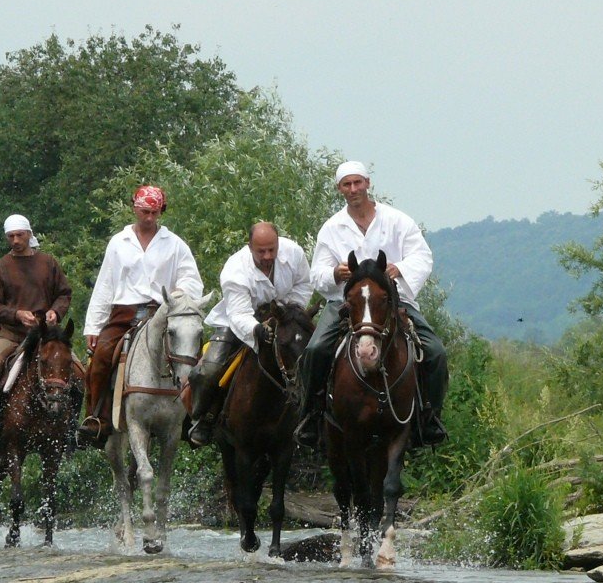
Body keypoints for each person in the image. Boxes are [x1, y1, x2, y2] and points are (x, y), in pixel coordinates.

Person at [296, 161, 450, 450]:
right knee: (315, 350)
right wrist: (334, 274)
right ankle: (312, 414)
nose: (353, 189)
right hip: (346, 302)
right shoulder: (332, 228)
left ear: (367, 183)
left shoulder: (397, 221)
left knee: (436, 352)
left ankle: (429, 417)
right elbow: (316, 273)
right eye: (346, 184)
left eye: (357, 183)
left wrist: (400, 269)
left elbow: (422, 256)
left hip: (392, 301)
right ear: (339, 189)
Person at [79, 185, 203, 446]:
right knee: (101, 357)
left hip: (163, 313)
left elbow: (192, 280)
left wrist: (180, 292)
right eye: (145, 211)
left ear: (161, 211)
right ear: (135, 208)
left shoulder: (175, 244)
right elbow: (105, 284)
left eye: (154, 212)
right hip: (124, 314)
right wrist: (93, 325)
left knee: (194, 357)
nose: (149, 217)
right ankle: (96, 419)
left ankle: (194, 419)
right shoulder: (118, 242)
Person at [186, 221, 313, 447]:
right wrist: (256, 329)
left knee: (309, 354)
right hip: (239, 322)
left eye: (272, 250)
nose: (267, 256)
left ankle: (313, 418)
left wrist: (287, 311)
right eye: (261, 251)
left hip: (283, 316)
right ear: (250, 246)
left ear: (278, 243)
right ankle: (203, 419)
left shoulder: (294, 253)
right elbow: (238, 314)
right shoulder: (235, 269)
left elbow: (304, 285)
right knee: (211, 368)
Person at [0, 213, 74, 451]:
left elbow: (64, 293)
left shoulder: (48, 263)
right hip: (12, 334)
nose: (15, 240)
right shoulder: (0, 268)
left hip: (47, 334)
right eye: (11, 236)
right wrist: (17, 315)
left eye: (19, 235)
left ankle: (72, 431)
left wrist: (56, 313)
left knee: (77, 373)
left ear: (29, 234)